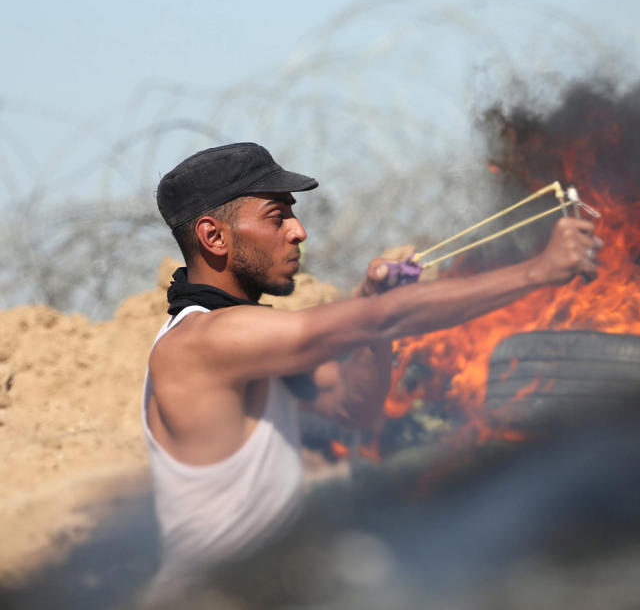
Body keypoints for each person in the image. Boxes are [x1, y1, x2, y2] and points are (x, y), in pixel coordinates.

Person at [141, 142, 601, 600]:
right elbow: (389, 318)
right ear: (214, 236)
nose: (298, 231)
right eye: (276, 216)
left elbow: (352, 405)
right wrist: (538, 271)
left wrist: (370, 315)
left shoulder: (250, 343)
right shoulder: (200, 341)